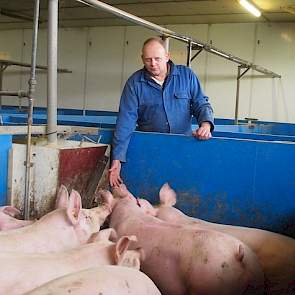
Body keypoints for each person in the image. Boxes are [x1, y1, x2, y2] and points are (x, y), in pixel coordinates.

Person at [109, 37, 214, 187]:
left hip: (183, 146)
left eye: (157, 59)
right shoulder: (135, 83)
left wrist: (205, 125)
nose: (152, 64)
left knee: (183, 188)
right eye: (148, 60)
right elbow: (126, 120)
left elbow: (201, 103)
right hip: (151, 149)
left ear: (167, 56)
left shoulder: (187, 76)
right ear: (142, 59)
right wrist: (117, 157)